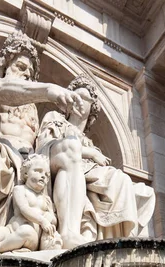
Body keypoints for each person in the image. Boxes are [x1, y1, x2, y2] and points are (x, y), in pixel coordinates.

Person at [0, 31, 83, 252]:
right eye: (21, 67)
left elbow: (44, 141)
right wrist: (48, 90)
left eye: (30, 74)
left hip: (31, 163)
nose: (26, 75)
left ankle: (70, 233)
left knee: (69, 147)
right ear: (4, 63)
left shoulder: (31, 107)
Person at [36, 75, 156, 249]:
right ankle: (71, 232)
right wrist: (89, 152)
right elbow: (43, 147)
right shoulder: (54, 118)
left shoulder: (88, 140)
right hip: (60, 165)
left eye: (84, 98)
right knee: (118, 180)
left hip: (88, 173)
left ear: (92, 107)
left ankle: (122, 243)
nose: (78, 100)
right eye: (74, 95)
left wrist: (90, 152)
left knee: (142, 190)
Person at [0, 154, 62, 255]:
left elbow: (53, 222)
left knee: (25, 231)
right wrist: (42, 220)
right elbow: (24, 208)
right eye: (38, 171)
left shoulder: (46, 199)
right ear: (26, 173)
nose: (43, 176)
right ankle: (12, 244)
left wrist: (50, 213)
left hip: (31, 236)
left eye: (46, 175)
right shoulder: (20, 189)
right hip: (10, 230)